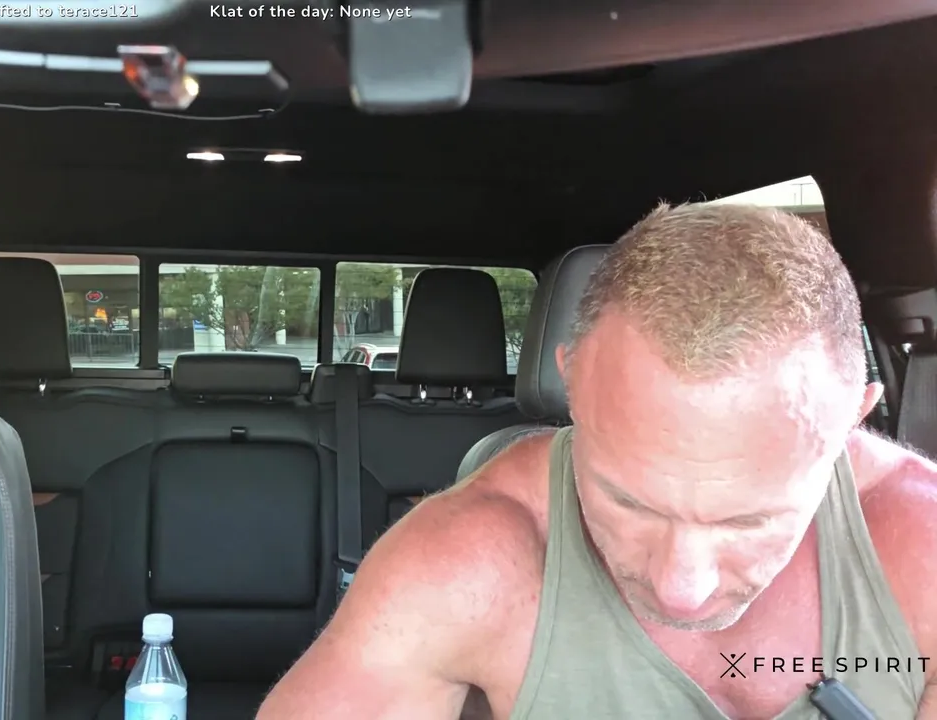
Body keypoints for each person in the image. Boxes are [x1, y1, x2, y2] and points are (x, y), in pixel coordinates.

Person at [256, 203, 937, 719]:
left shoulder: (924, 550)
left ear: (853, 416)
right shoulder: (463, 567)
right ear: (572, 385)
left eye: (749, 521)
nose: (680, 589)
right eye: (628, 501)